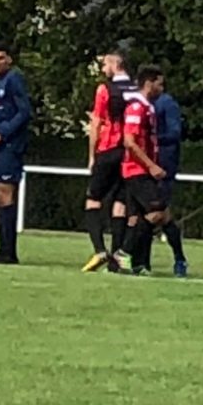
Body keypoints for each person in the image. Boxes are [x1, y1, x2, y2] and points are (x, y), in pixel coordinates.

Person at [82, 52, 136, 272]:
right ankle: (117, 257)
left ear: (115, 64)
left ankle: (99, 250)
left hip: (108, 148)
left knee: (93, 200)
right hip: (129, 153)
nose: (104, 69)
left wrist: (92, 156)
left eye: (105, 64)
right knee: (120, 203)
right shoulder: (136, 91)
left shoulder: (105, 90)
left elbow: (96, 124)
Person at [0, 41, 32, 265]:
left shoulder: (14, 79)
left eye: (1, 58)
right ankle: (2, 248)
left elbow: (24, 112)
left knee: (6, 195)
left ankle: (8, 252)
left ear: (9, 59)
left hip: (10, 146)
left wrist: (2, 134)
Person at [114, 65, 169, 275]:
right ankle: (124, 252)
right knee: (157, 213)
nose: (162, 88)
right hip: (136, 170)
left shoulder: (148, 107)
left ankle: (139, 263)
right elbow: (129, 141)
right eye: (159, 84)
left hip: (142, 170)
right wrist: (151, 165)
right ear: (149, 83)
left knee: (137, 217)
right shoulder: (136, 108)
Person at [154, 85, 189, 277]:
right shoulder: (139, 102)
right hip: (142, 163)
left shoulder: (167, 104)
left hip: (163, 165)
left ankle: (179, 258)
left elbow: (175, 133)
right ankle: (140, 262)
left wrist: (152, 139)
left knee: (161, 214)